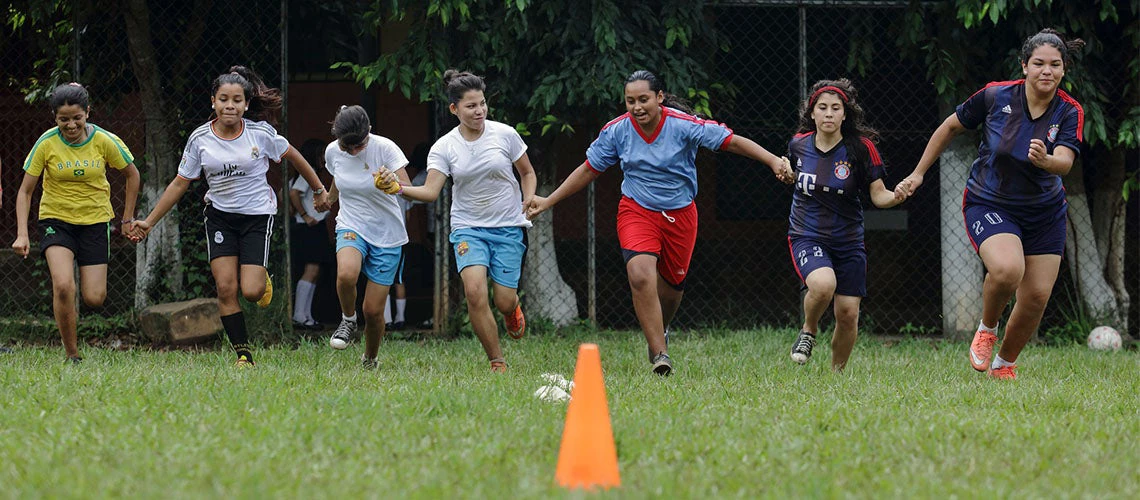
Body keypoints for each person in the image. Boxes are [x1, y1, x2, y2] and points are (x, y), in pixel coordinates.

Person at [525, 70, 795, 376]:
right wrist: (548, 200)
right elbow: (589, 169)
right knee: (640, 276)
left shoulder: (682, 125)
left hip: (680, 215)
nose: (637, 107)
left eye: (644, 99)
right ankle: (660, 354)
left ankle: (660, 330)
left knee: (672, 290)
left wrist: (773, 160)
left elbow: (731, 142)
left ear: (660, 98)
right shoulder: (618, 131)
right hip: (637, 211)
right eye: (630, 101)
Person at [896, 29, 1085, 380]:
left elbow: (1065, 162)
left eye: (1055, 65)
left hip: (1045, 212)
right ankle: (987, 327)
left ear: (1064, 69)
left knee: (1036, 297)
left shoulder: (1069, 111)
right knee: (1007, 270)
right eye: (1039, 63)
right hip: (989, 201)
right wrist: (919, 173)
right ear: (1024, 66)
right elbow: (949, 128)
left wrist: (1046, 160)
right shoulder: (996, 96)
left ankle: (1004, 365)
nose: (1047, 71)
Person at [132, 66, 329, 367]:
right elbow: (180, 182)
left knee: (251, 291)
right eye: (223, 99)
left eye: (237, 100)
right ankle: (244, 356)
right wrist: (148, 221)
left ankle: (261, 278)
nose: (230, 106)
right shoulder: (200, 139)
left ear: (246, 105)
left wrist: (318, 189)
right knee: (225, 287)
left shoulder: (260, 134)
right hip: (220, 217)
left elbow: (295, 157)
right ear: (213, 101)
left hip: (256, 217)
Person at [383, 69, 535, 373]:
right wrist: (398, 188)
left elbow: (527, 173)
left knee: (504, 301)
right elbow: (430, 191)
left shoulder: (504, 134)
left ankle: (511, 310)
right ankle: (497, 361)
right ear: (455, 109)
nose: (479, 111)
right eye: (470, 106)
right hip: (468, 228)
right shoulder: (445, 147)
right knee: (475, 292)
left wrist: (529, 198)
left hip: (507, 226)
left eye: (481, 104)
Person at [784, 79, 909, 371]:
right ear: (812, 113)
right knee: (823, 285)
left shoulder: (861, 149)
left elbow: (879, 196)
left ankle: (837, 374)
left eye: (835, 108)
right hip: (806, 234)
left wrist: (897, 196)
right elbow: (790, 173)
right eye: (822, 107)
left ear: (845, 114)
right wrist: (785, 172)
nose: (828, 113)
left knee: (848, 313)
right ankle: (809, 330)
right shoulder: (798, 145)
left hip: (848, 241)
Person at [11, 82, 141, 363]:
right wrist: (23, 234)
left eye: (76, 118)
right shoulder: (47, 143)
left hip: (94, 221)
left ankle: (74, 341)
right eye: (63, 119)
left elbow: (132, 174)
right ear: (55, 118)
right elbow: (25, 191)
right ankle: (72, 354)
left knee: (95, 297)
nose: (70, 125)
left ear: (88, 113)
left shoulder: (104, 140)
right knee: (63, 285)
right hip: (56, 220)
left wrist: (127, 218)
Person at [318, 105, 411, 369]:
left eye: (358, 146)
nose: (353, 152)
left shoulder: (385, 148)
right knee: (347, 274)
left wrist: (393, 183)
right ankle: (348, 319)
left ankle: (370, 358)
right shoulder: (333, 150)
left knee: (372, 311)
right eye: (347, 147)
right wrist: (329, 199)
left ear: (369, 132)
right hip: (351, 224)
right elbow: (338, 177)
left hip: (387, 234)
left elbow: (411, 188)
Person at [386, 142, 433, 330]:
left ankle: (387, 320)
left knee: (380, 280)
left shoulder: (380, 190)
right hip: (400, 238)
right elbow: (408, 214)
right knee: (399, 279)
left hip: (381, 238)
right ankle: (400, 319)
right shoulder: (402, 190)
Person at [289, 138, 334, 330]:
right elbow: (293, 193)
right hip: (309, 227)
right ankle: (299, 315)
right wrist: (305, 215)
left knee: (315, 272)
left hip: (316, 227)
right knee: (311, 270)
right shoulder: (307, 174)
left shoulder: (311, 174)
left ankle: (306, 315)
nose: (324, 158)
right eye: (321, 154)